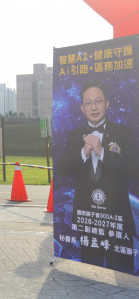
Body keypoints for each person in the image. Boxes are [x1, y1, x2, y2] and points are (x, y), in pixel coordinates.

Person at [55, 80, 138, 273]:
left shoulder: (123, 133)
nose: (94, 107)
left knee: (122, 276)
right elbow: (62, 169)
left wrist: (102, 152)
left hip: (117, 219)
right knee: (90, 273)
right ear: (82, 108)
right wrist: (83, 152)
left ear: (107, 103)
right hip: (88, 220)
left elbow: (134, 170)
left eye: (98, 101)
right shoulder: (75, 135)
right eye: (88, 103)